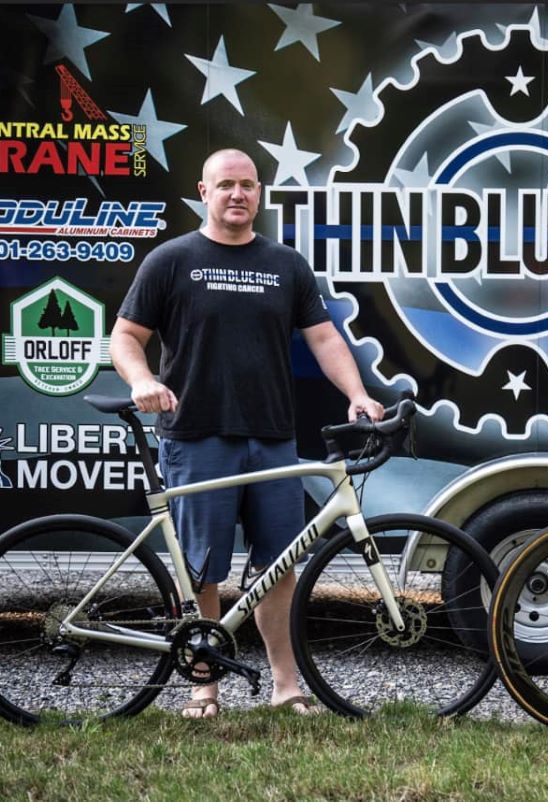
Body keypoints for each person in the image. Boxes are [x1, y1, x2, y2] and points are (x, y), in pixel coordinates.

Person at [109, 148, 383, 719]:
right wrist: (141, 381)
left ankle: (287, 688)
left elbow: (326, 338)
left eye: (249, 185)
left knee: (278, 568)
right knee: (204, 568)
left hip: (273, 436)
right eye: (226, 185)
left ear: (260, 194)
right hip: (197, 433)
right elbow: (125, 337)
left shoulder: (285, 264)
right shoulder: (171, 260)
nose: (238, 194)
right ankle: (203, 685)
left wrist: (356, 393)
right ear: (203, 192)